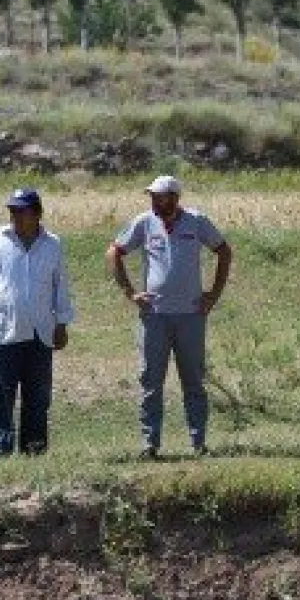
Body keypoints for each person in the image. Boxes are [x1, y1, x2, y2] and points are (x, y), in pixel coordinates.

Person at [107, 175, 233, 459]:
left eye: (160, 196)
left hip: (191, 314)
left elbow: (224, 251)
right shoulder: (143, 222)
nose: (154, 201)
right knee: (151, 381)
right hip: (154, 316)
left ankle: (198, 443)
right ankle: (150, 445)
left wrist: (213, 294)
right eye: (152, 196)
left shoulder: (197, 221)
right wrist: (131, 293)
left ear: (175, 198)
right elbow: (114, 252)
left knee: (193, 381)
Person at [0, 189, 74, 456]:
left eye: (21, 210)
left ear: (36, 213)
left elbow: (60, 285)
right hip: (5, 330)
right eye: (12, 210)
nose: (14, 215)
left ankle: (34, 450)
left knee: (37, 398)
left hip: (41, 331)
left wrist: (62, 323)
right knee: (2, 397)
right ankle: (2, 451)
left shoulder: (52, 244)